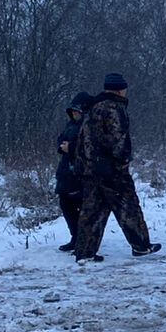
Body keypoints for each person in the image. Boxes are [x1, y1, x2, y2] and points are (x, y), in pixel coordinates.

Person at [73, 72, 161, 262]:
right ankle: (141, 246)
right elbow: (118, 140)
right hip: (111, 170)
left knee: (92, 212)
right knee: (128, 207)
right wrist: (123, 160)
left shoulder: (93, 108)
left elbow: (83, 139)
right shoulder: (114, 108)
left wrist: (83, 164)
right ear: (121, 90)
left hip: (90, 169)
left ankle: (85, 253)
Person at [55, 91, 93, 252]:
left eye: (77, 111)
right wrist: (63, 147)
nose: (75, 114)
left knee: (82, 207)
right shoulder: (71, 124)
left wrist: (70, 147)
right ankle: (75, 237)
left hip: (79, 173)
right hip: (66, 172)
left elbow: (89, 146)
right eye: (73, 111)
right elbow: (60, 139)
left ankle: (84, 240)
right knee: (66, 204)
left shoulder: (89, 125)